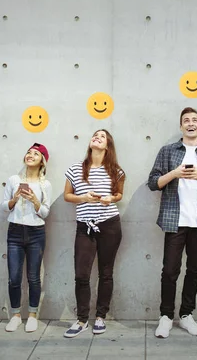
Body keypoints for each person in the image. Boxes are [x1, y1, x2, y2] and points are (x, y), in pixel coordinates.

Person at [148, 107, 197, 338]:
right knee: (170, 270)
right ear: (181, 126)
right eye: (186, 120)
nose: (191, 123)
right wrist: (175, 174)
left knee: (194, 270)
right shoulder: (167, 151)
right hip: (175, 220)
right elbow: (153, 183)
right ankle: (165, 316)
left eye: (195, 120)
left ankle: (186, 315)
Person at [63, 129, 125, 338]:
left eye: (102, 136)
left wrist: (110, 198)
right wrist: (84, 198)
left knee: (105, 273)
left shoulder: (116, 171)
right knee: (81, 274)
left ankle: (100, 317)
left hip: (110, 225)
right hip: (85, 227)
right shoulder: (75, 169)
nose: (97, 137)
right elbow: (67, 196)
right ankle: (81, 319)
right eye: (95, 135)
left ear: (107, 145)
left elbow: (119, 195)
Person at [2, 143, 52, 333]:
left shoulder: (45, 184)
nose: (30, 155)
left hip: (36, 233)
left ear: (42, 161)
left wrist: (35, 201)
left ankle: (32, 315)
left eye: (36, 154)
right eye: (29, 152)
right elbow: (3, 207)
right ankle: (15, 315)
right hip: (14, 231)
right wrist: (14, 198)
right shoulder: (14, 179)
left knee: (33, 277)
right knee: (14, 277)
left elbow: (46, 213)